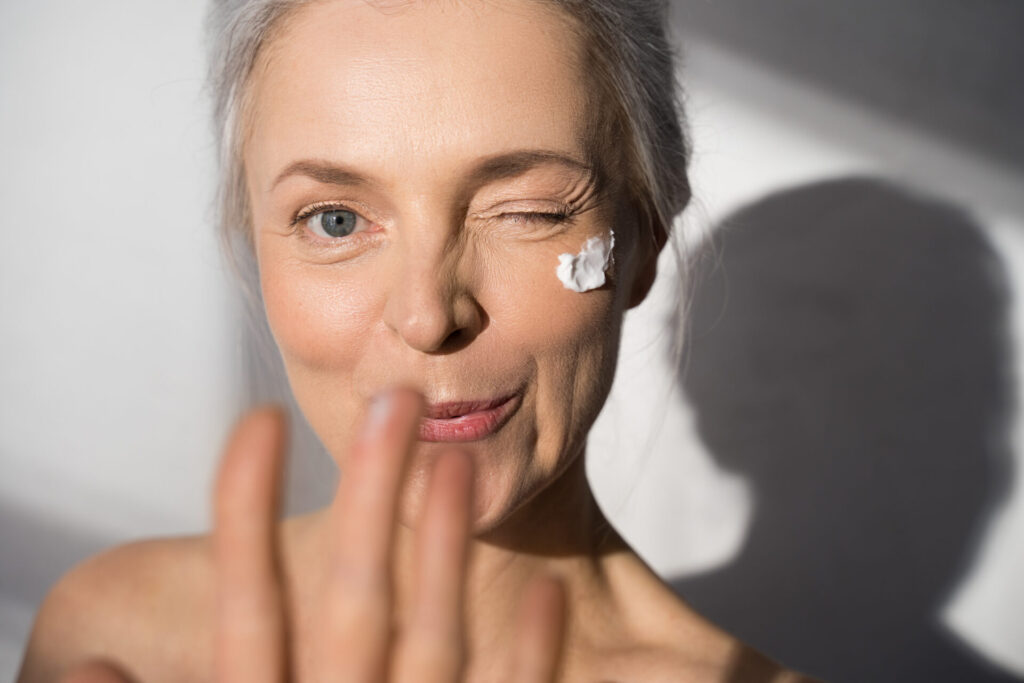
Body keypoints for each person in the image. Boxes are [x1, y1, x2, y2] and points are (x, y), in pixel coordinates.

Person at [17, 1, 811, 681]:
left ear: (644, 237)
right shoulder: (111, 637)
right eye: (335, 219)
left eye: (528, 211)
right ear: (251, 242)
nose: (429, 315)